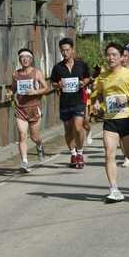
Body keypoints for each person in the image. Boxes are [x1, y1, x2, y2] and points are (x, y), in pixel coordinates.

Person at [92, 42, 129, 203]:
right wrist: (96, 103)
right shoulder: (102, 76)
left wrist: (128, 98)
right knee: (109, 152)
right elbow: (98, 94)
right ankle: (114, 189)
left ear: (122, 56)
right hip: (110, 120)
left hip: (127, 118)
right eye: (108, 55)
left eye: (114, 54)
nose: (111, 58)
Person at [51, 37, 90, 169]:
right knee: (68, 130)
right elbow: (53, 83)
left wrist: (83, 82)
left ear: (72, 50)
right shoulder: (57, 68)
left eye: (67, 50)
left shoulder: (81, 65)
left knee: (78, 127)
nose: (65, 53)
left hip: (78, 101)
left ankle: (80, 153)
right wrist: (58, 85)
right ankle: (73, 154)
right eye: (62, 51)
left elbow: (87, 78)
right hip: (65, 102)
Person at [11, 49, 48, 173]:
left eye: (27, 57)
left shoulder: (37, 73)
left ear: (31, 59)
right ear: (19, 60)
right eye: (22, 57)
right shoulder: (15, 74)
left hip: (34, 108)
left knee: (34, 136)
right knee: (22, 135)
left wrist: (35, 92)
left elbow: (46, 88)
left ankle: (39, 146)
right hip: (21, 109)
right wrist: (11, 95)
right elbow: (13, 89)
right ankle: (25, 162)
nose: (25, 59)